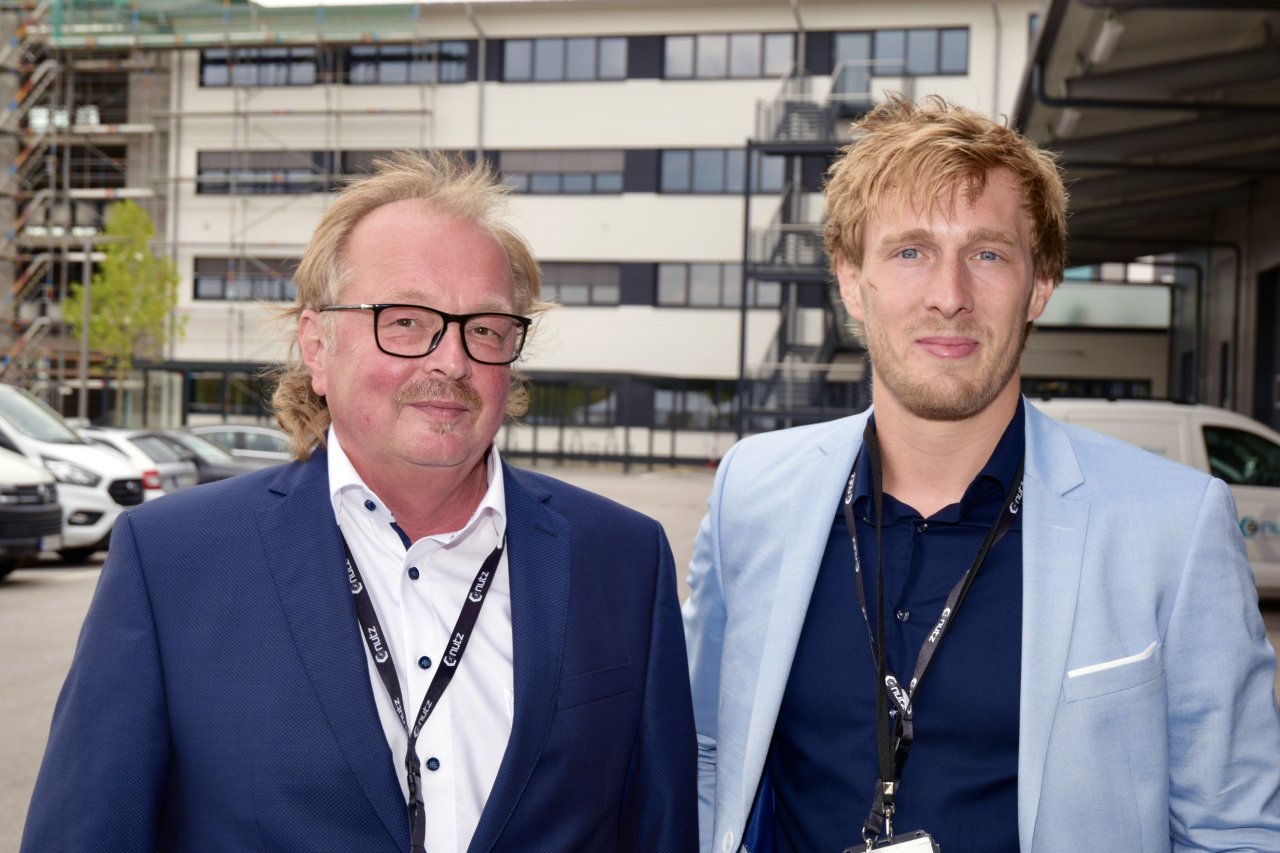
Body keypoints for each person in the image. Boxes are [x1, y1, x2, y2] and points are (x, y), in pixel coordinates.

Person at [23, 151, 697, 852]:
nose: (452, 360)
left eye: (486, 328)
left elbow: (661, 829)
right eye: (404, 321)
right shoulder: (171, 563)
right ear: (317, 346)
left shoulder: (622, 559)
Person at [683, 95, 1280, 853]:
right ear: (850, 281)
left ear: (1041, 285)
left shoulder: (1175, 524)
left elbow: (1234, 830)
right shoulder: (752, 491)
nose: (950, 296)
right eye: (910, 251)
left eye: (988, 254)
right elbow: (704, 759)